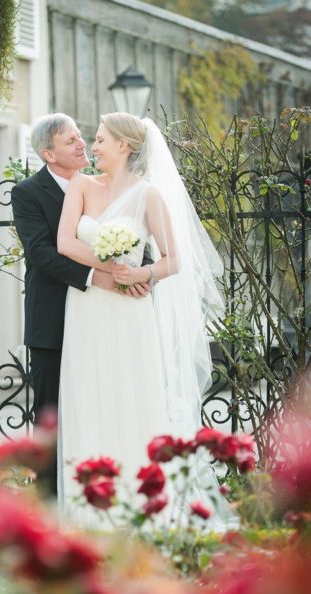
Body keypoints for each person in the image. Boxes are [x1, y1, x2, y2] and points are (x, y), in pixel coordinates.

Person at [56, 112, 233, 527]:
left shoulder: (148, 195)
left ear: (124, 146)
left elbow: (174, 260)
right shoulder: (81, 186)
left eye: (99, 140)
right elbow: (65, 242)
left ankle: (141, 505)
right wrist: (109, 267)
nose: (92, 147)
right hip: (87, 308)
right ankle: (89, 512)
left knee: (131, 395)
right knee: (87, 394)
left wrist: (142, 274)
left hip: (129, 313)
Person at [11, 113, 152, 492]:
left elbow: (138, 234)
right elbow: (41, 253)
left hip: (104, 320)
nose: (82, 144)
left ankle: (103, 488)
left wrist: (141, 273)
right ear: (48, 154)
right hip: (53, 320)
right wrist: (98, 277)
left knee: (101, 404)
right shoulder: (27, 193)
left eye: (81, 137)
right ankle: (49, 502)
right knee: (51, 415)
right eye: (70, 141)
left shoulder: (109, 185)